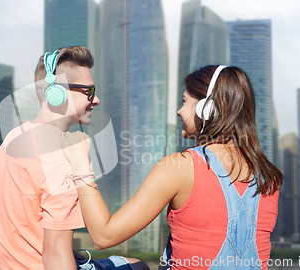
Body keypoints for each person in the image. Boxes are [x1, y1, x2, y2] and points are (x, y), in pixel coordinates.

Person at [61, 65, 283, 270]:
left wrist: (81, 164)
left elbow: (104, 236)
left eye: (185, 101)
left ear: (207, 108)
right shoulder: (269, 178)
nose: (179, 111)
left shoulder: (181, 167)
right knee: (136, 265)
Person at [0, 46, 148, 270]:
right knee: (138, 267)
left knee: (129, 262)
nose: (96, 100)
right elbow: (55, 258)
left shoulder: (14, 137)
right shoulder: (60, 159)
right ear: (56, 93)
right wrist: (81, 165)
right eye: (89, 91)